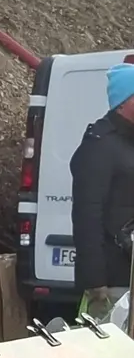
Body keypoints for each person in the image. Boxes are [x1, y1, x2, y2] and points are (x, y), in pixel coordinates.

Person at [69, 58, 134, 322]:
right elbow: (87, 215)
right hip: (112, 281)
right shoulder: (99, 146)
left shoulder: (127, 143)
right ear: (125, 102)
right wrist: (95, 281)